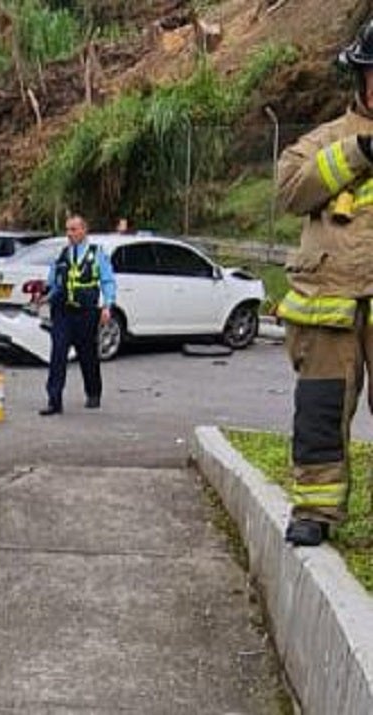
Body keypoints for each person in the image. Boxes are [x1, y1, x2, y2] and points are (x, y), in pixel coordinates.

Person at [273, 19, 373, 546]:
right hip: (328, 310)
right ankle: (316, 511)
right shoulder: (321, 142)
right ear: (360, 80)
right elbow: (292, 192)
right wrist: (360, 152)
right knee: (320, 414)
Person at [35, 215, 116, 416]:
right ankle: (54, 401)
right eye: (67, 230)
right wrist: (44, 298)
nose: (69, 234)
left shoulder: (97, 254)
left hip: (86, 312)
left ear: (83, 230)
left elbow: (107, 281)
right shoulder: (62, 255)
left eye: (73, 229)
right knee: (58, 355)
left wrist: (107, 305)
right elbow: (54, 283)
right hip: (63, 312)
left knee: (87, 355)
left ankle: (93, 392)